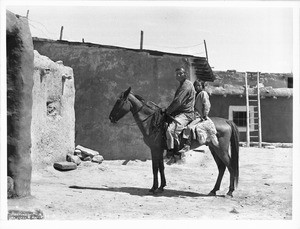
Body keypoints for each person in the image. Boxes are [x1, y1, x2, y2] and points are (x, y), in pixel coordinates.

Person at [165, 67, 195, 159]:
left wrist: (168, 111)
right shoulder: (182, 85)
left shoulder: (186, 85)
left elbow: (178, 101)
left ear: (185, 74)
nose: (178, 75)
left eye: (180, 73)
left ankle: (175, 153)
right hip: (180, 112)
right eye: (177, 74)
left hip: (186, 114)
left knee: (171, 130)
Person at [179, 79, 211, 153]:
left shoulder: (203, 93)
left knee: (189, 127)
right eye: (196, 86)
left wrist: (205, 115)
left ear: (202, 86)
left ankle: (187, 145)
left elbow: (207, 104)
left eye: (199, 85)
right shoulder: (195, 94)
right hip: (192, 115)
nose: (197, 87)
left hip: (199, 116)